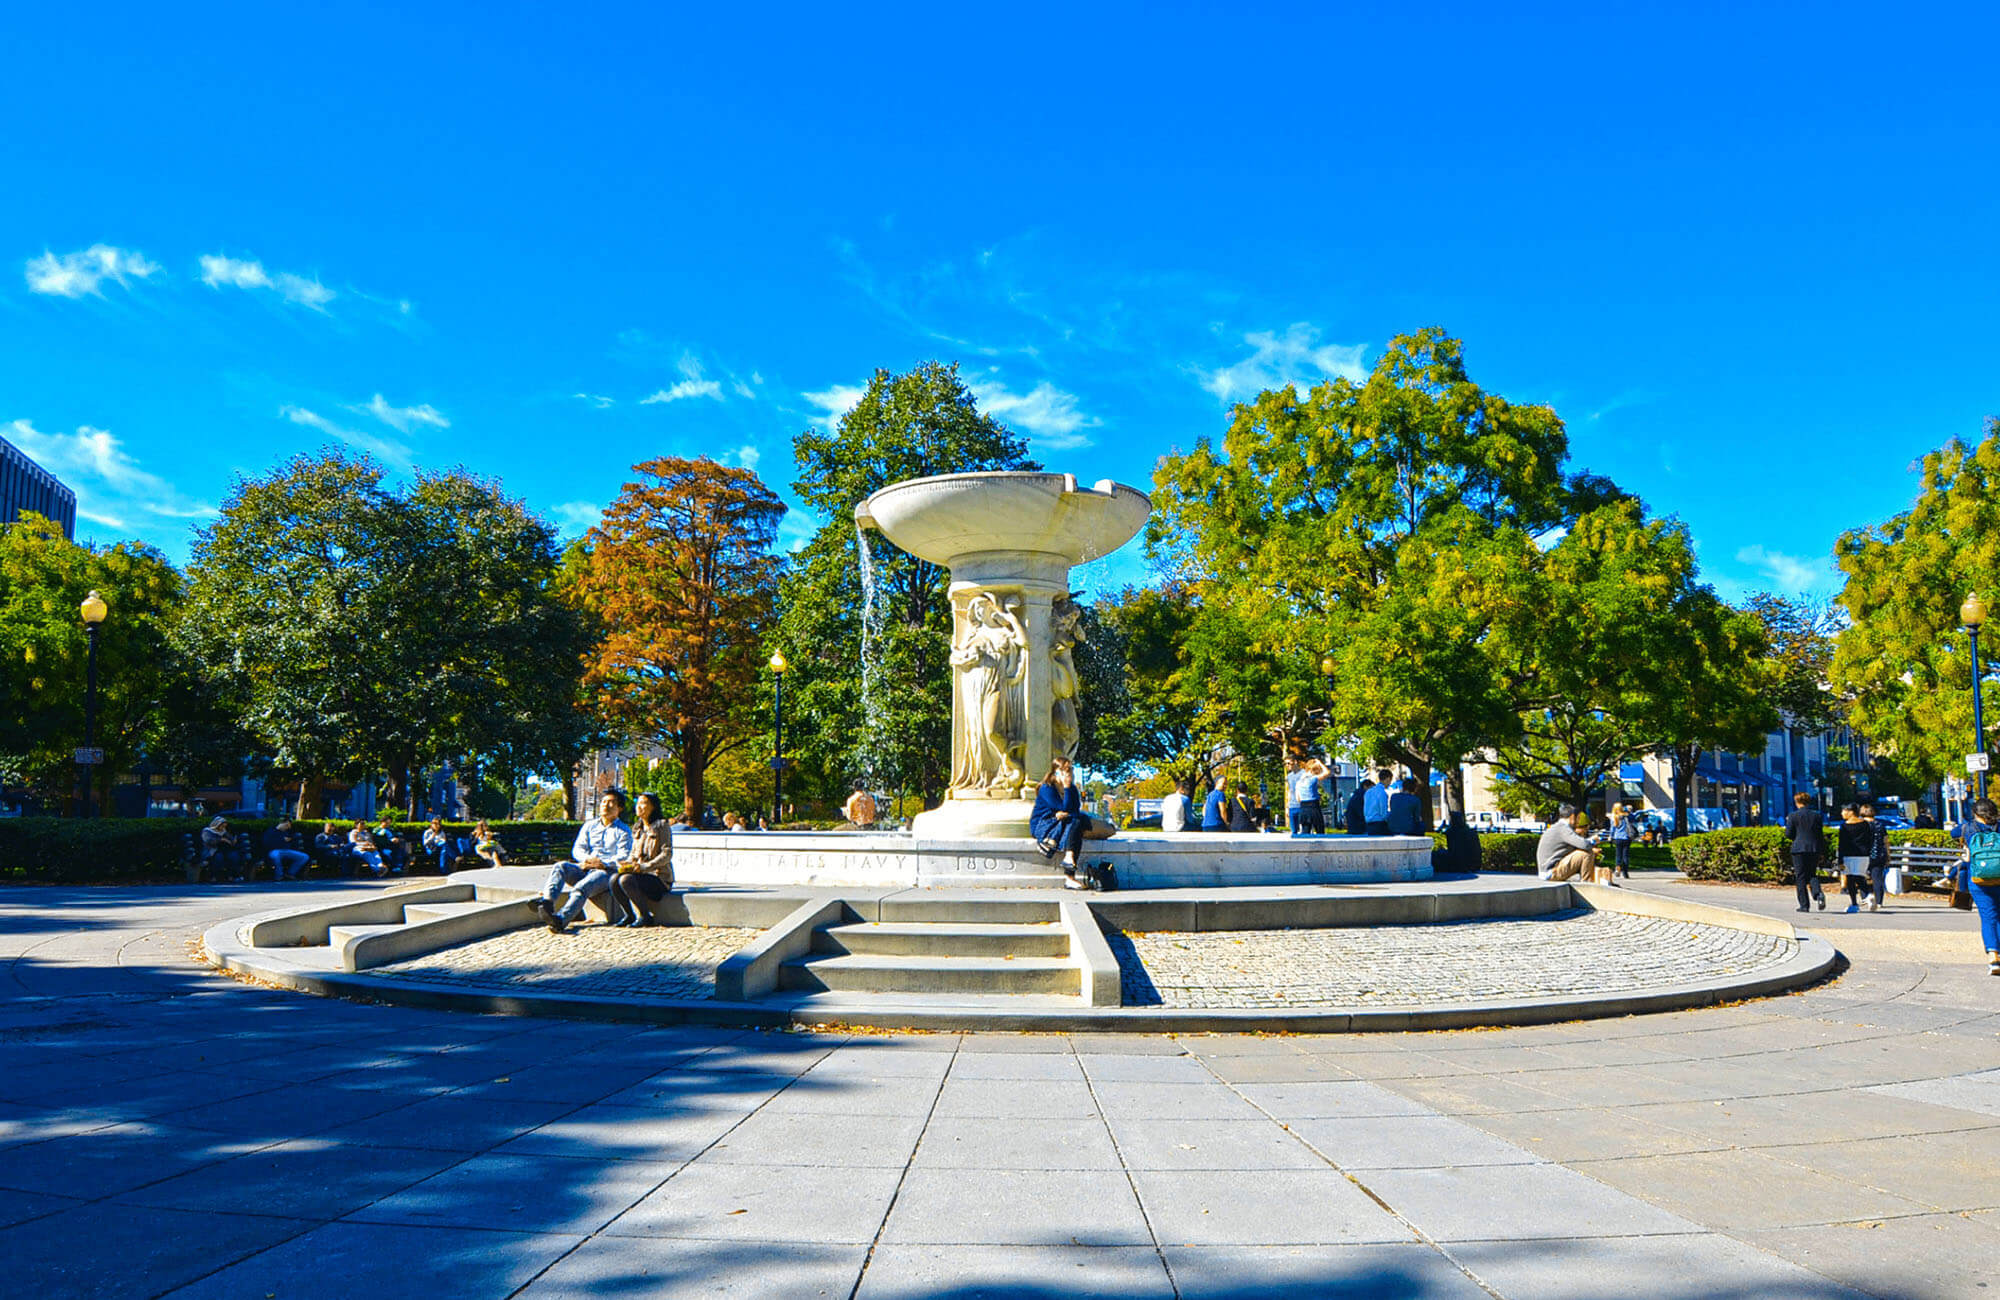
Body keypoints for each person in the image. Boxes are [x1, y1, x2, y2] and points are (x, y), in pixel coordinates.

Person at [536, 790, 634, 933]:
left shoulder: (624, 830)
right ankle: (547, 903)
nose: (606, 805)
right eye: (604, 802)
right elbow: (578, 849)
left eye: (611, 802)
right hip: (586, 868)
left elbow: (623, 855)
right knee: (560, 866)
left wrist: (603, 863)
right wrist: (586, 860)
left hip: (606, 873)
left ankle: (561, 919)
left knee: (582, 886)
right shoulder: (589, 826)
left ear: (620, 808)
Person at [1030, 756, 1112, 888]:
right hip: (1044, 825)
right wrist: (1067, 789)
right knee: (1077, 822)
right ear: (1056, 772)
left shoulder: (1072, 789)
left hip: (1065, 822)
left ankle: (1069, 861)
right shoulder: (1047, 788)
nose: (1070, 774)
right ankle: (1069, 875)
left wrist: (1068, 793)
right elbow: (1064, 808)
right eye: (1066, 771)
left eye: (1071, 770)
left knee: (1077, 822)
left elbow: (1074, 810)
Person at [607, 791, 674, 927]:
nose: (639, 806)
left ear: (653, 807)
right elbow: (633, 853)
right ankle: (629, 915)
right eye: (637, 803)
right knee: (614, 879)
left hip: (658, 878)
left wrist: (645, 867)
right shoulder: (637, 827)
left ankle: (645, 916)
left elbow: (666, 854)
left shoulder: (662, 825)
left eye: (643, 803)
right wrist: (628, 863)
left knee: (626, 879)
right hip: (640, 875)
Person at [1959, 797, 2000, 976]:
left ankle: (1993, 956)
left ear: (1975, 813)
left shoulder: (1968, 827)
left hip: (1978, 879)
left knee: (1988, 916)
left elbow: (1954, 833)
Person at [1783, 791, 1828, 913]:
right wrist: (1822, 850)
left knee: (1800, 876)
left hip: (1798, 848)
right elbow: (1820, 834)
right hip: (1813, 848)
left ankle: (1804, 905)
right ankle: (1818, 893)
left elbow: (1788, 834)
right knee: (1812, 873)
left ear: (1797, 802)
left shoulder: (1793, 816)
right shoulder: (1816, 816)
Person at [1537, 810, 1608, 884]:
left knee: (1586, 852)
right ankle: (1587, 884)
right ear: (1572, 817)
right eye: (1577, 818)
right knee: (1587, 854)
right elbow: (1584, 845)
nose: (1577, 822)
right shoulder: (1563, 829)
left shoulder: (1557, 827)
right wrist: (1593, 841)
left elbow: (1576, 846)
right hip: (1550, 872)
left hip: (1546, 871)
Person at [1836, 803, 1871, 913]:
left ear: (1851, 812)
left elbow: (1841, 844)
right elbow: (1870, 840)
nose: (1842, 813)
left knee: (1851, 880)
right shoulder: (1865, 824)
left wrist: (1840, 860)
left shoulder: (1844, 826)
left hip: (1849, 855)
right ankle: (1868, 897)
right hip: (1863, 855)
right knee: (1860, 877)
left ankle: (1855, 904)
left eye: (1844, 811)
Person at [1863, 800, 1891, 913]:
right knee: (1877, 878)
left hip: (1864, 855)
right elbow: (1886, 841)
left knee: (1862, 878)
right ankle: (1879, 902)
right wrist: (1888, 855)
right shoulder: (1880, 825)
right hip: (1879, 854)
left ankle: (1866, 897)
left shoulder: (1861, 825)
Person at [1608, 803, 1635, 879]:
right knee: (1625, 856)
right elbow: (1633, 818)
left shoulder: (1614, 817)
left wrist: (1611, 836)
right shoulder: (1626, 816)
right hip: (1626, 838)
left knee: (1618, 855)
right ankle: (1625, 872)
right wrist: (1628, 809)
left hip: (1618, 838)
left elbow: (1612, 829)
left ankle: (1618, 868)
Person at [1362, 769, 1393, 835]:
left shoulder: (1368, 792)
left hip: (1368, 825)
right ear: (1388, 779)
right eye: (1390, 781)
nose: (1390, 783)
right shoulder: (1382, 793)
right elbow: (1383, 813)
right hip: (1379, 825)